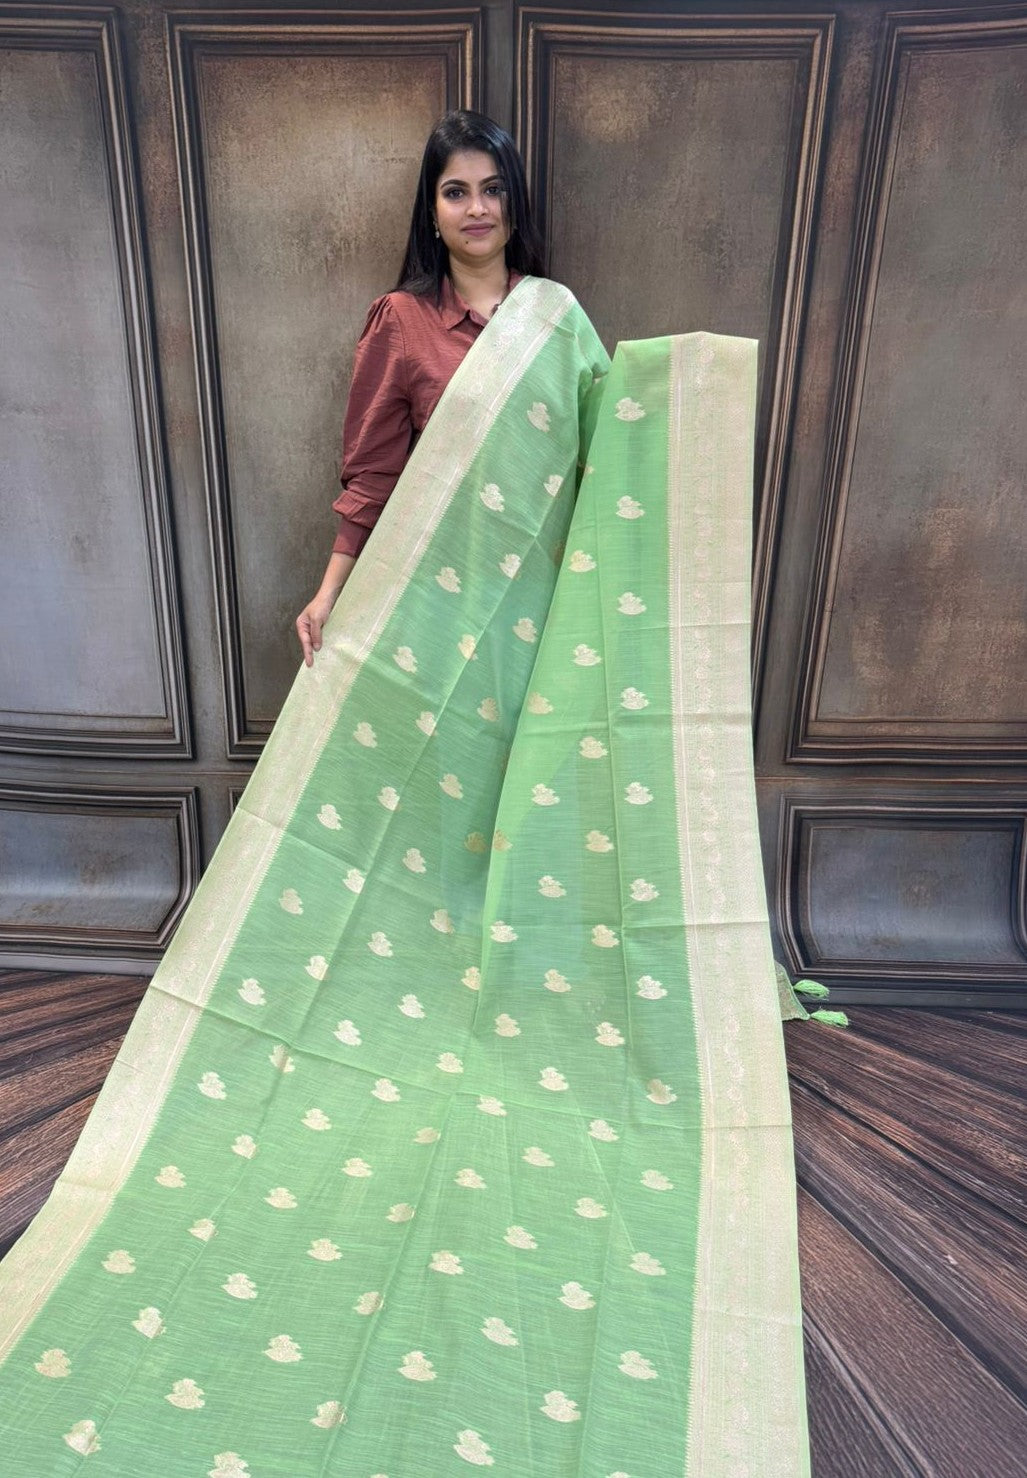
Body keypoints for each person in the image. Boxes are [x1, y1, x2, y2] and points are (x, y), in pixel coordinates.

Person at [295, 110, 547, 666]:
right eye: (456, 193)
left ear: (515, 203)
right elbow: (373, 473)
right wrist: (329, 593)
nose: (477, 208)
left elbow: (592, 451)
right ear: (432, 213)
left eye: (494, 189)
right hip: (441, 586)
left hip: (541, 588)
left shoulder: (552, 317)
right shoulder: (402, 321)